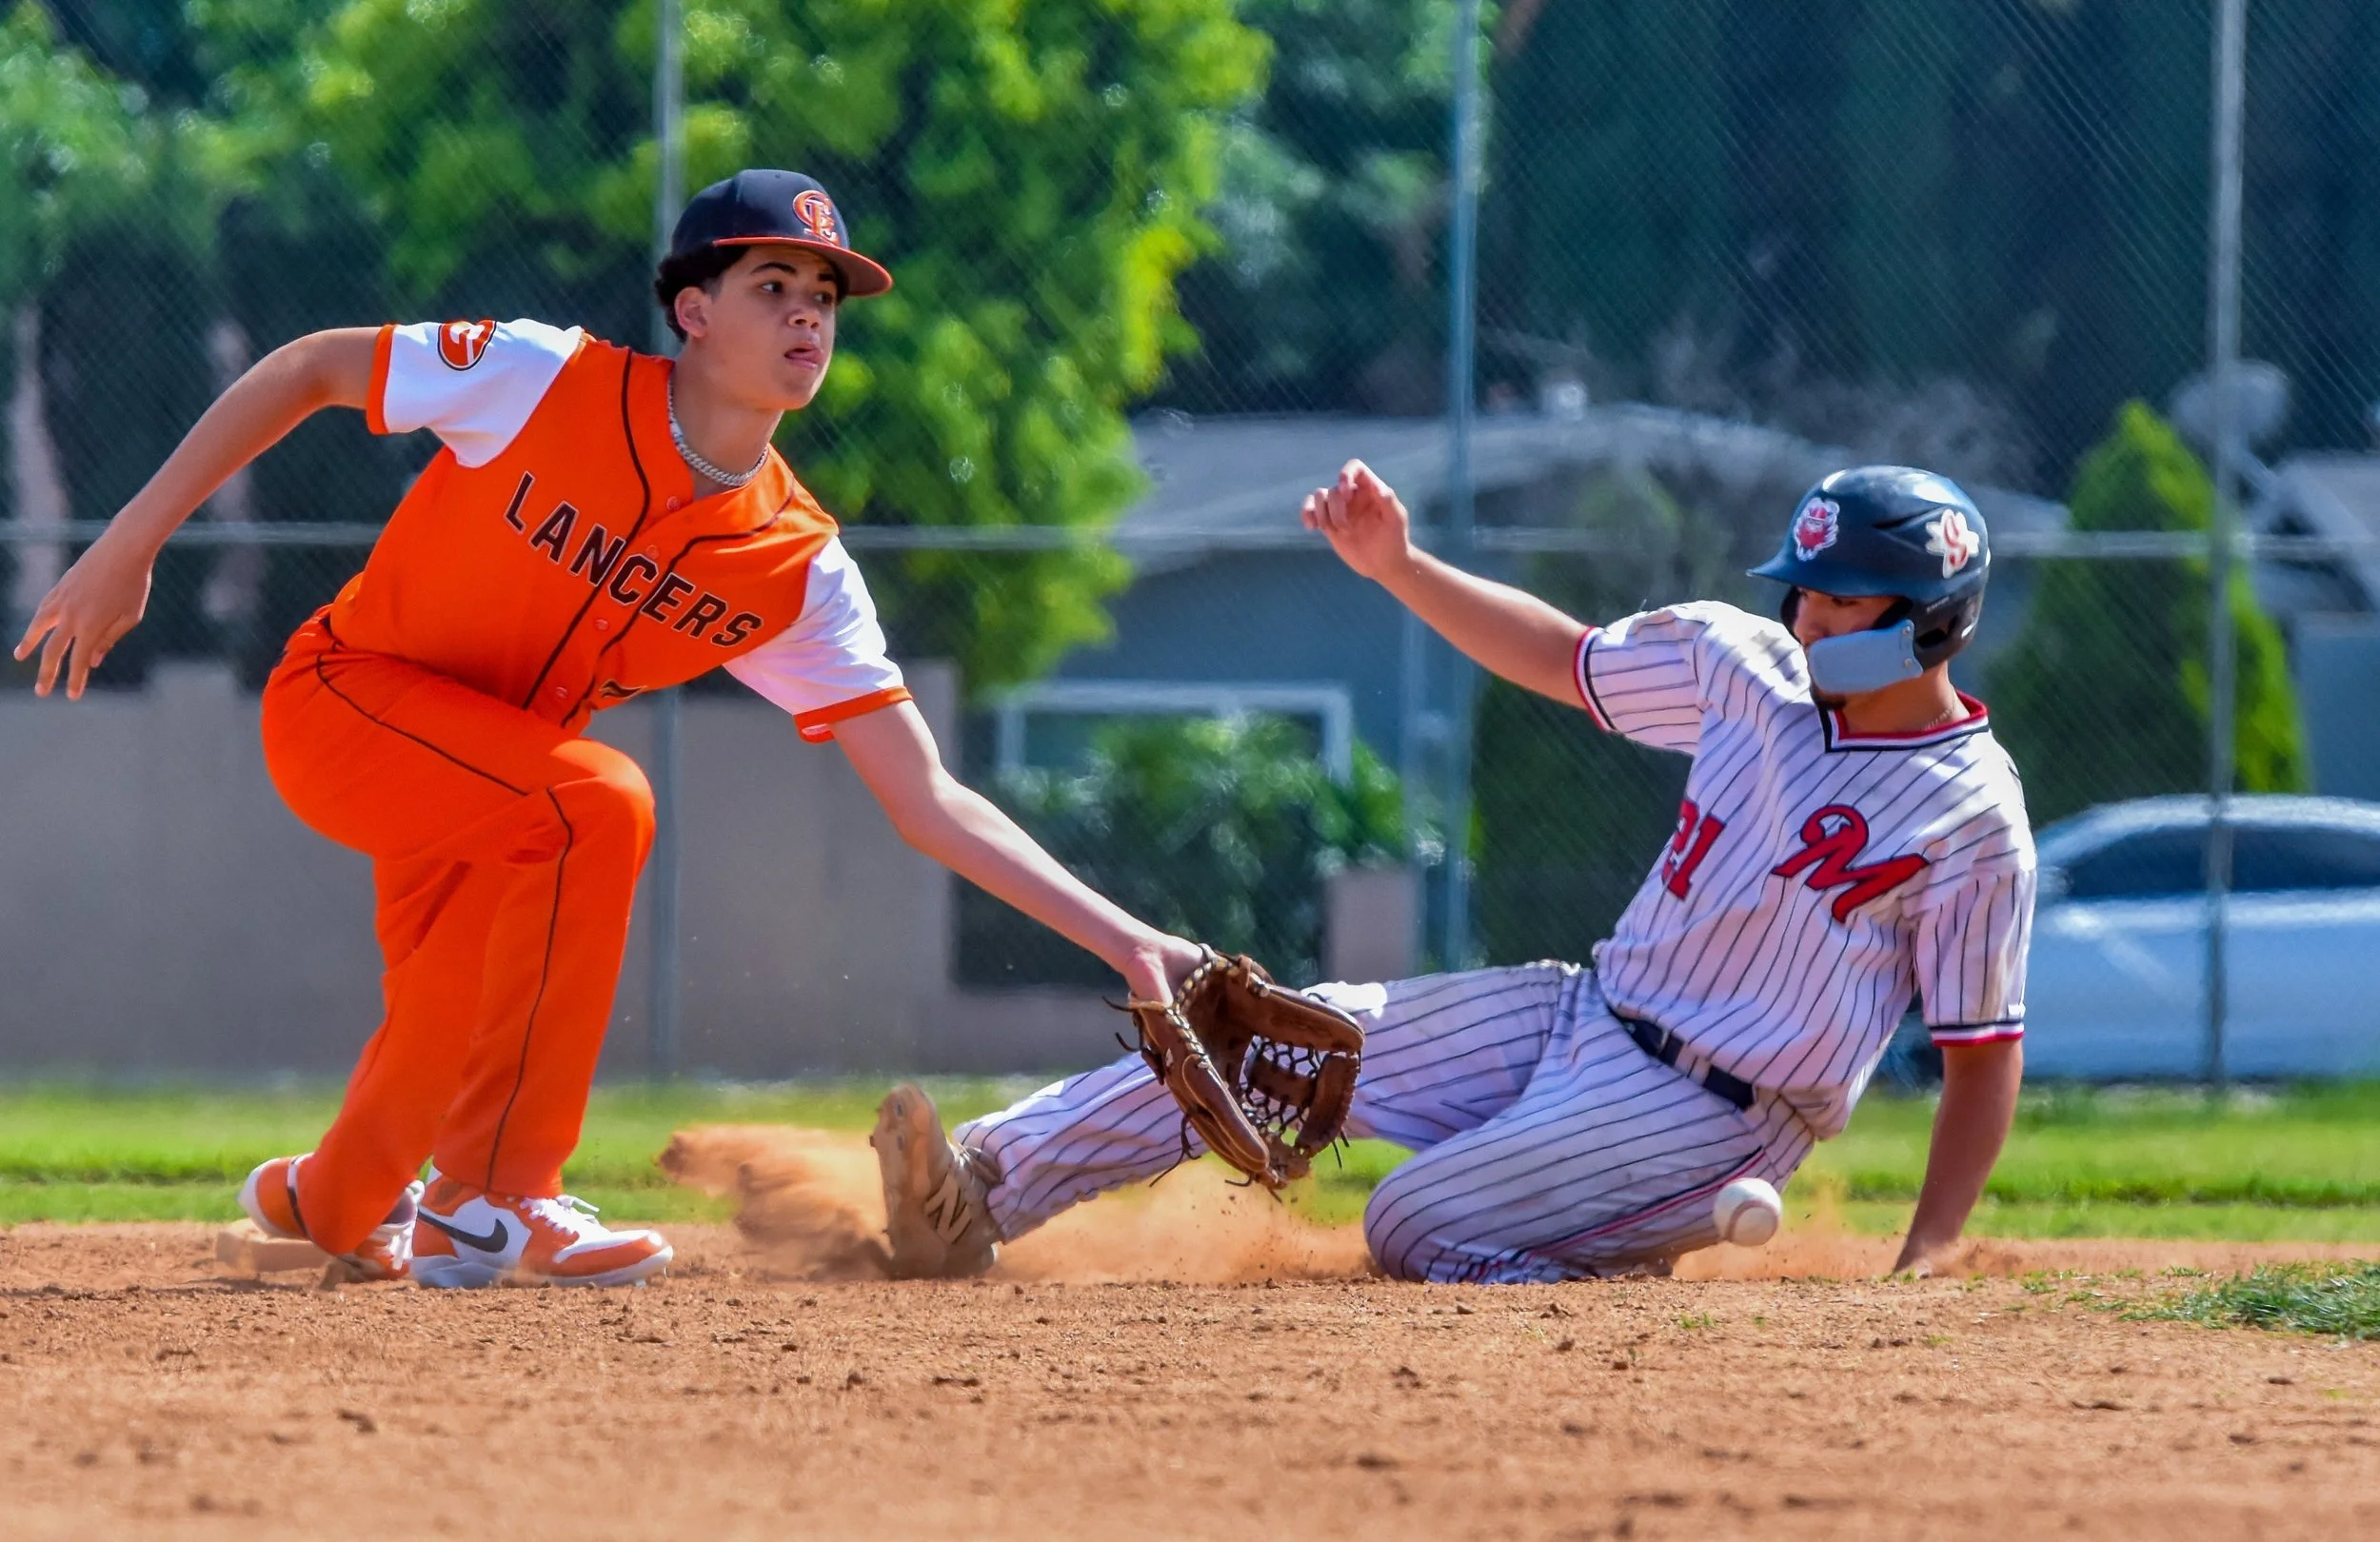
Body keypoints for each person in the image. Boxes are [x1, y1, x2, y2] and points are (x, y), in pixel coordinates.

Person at [14, 168, 1200, 1288]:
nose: (807, 317)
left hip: (501, 799)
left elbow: (925, 796)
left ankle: (320, 1199)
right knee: (603, 801)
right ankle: (504, 1190)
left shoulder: (795, 566)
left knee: (422, 1073)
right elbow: (313, 368)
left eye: (825, 294)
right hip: (352, 704)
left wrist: (1130, 942)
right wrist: (129, 543)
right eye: (771, 286)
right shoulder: (545, 378)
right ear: (692, 309)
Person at [872, 461, 2035, 1284]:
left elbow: (1982, 1054)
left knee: (1413, 1222)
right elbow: (1560, 658)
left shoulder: (1971, 812)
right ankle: (979, 1190)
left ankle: (1583, 1262)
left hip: (1719, 1118)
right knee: (1264, 1035)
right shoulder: (1746, 666)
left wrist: (1929, 1246)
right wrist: (1400, 566)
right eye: (1804, 588)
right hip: (1578, 1012)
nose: (1809, 614)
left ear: (1934, 622)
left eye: (1844, 599)